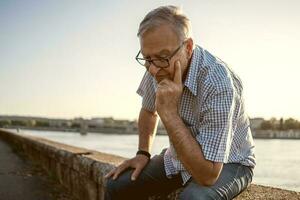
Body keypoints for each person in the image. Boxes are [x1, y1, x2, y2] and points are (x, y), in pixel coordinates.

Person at [105, 5, 255, 200]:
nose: (152, 70)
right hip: (179, 158)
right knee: (116, 184)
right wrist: (143, 153)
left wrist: (169, 114)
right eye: (147, 58)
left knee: (192, 198)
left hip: (230, 163)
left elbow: (208, 175)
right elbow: (149, 111)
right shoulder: (157, 65)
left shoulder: (219, 83)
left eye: (162, 57)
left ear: (188, 47)